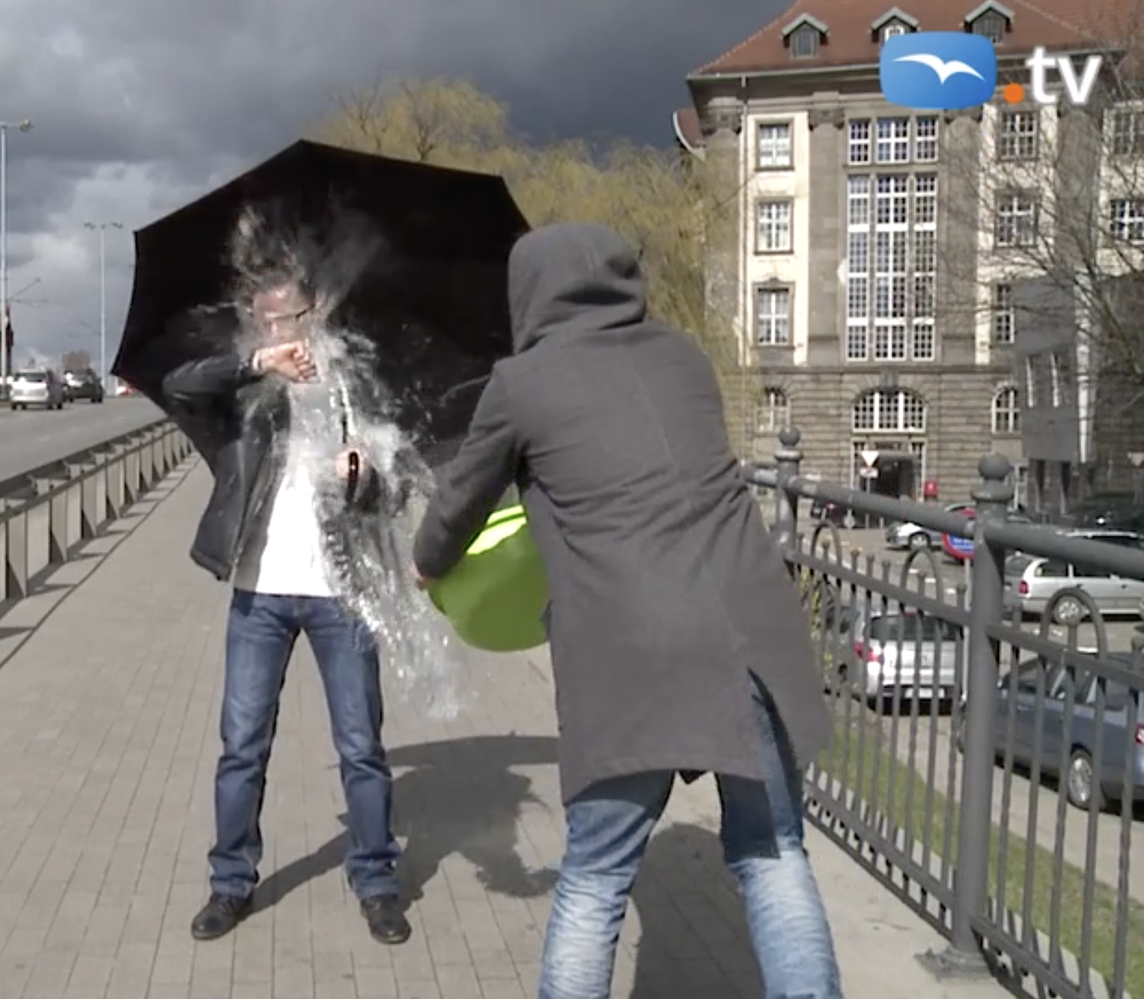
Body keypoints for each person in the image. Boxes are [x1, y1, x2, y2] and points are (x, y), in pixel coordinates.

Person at [410, 222, 842, 998]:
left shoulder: (521, 382)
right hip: (747, 632)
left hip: (631, 652)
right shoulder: (683, 357)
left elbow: (458, 504)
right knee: (775, 854)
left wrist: (425, 562)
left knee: (597, 876)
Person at [162, 274, 411, 946]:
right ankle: (230, 884)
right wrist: (256, 365)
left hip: (342, 594)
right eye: (265, 320)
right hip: (259, 592)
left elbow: (395, 490)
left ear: (316, 313)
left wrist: (367, 475)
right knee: (241, 746)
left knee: (361, 747)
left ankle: (378, 881)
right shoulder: (242, 389)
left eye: (289, 318)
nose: (278, 331)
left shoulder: (352, 383)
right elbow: (178, 385)